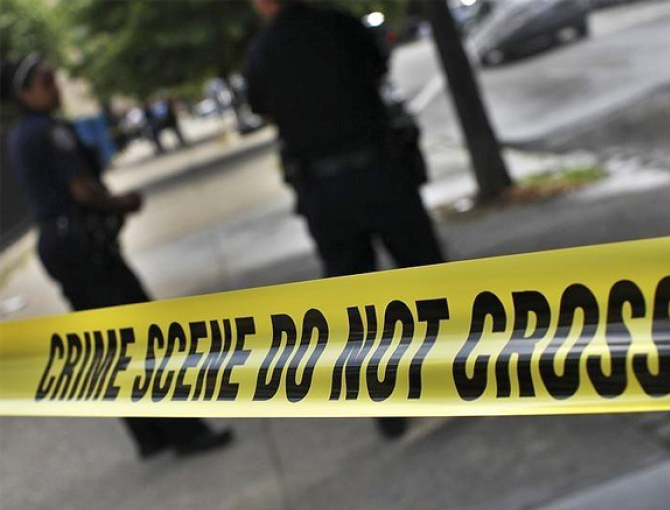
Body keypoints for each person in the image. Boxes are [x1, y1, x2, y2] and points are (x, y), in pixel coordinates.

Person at [2, 54, 231, 459]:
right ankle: (186, 433)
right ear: (24, 92)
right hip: (83, 249)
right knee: (141, 336)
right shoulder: (48, 133)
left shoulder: (23, 135)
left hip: (65, 247)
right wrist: (121, 203)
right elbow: (82, 190)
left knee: (107, 343)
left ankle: (149, 435)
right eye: (45, 80)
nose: (55, 85)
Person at [245, 1, 445, 439]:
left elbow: (262, 108)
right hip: (380, 171)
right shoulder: (337, 24)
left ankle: (388, 409)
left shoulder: (261, 54)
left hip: (326, 191)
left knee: (355, 304)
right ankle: (466, 375)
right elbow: (376, 67)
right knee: (427, 276)